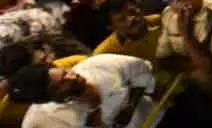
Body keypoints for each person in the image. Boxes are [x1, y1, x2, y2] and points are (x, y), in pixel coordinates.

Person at [9, 53, 158, 128]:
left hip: (157, 118)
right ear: (49, 98)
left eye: (65, 72)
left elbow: (142, 71)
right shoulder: (42, 121)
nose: (72, 77)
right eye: (60, 85)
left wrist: (132, 104)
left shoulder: (99, 64)